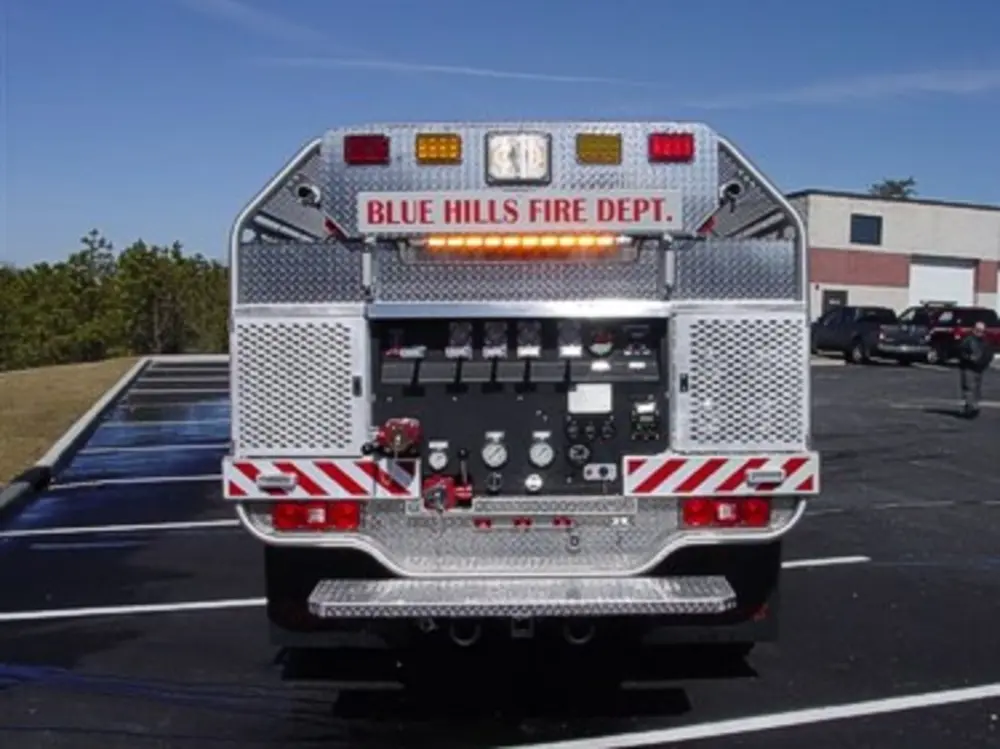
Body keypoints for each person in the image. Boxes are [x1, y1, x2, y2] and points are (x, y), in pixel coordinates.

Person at [958, 321, 994, 418]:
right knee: (968, 387)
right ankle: (970, 408)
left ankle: (974, 407)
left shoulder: (985, 342)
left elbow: (989, 354)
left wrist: (984, 363)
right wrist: (969, 358)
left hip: (979, 369)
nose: (980, 332)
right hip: (968, 368)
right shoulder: (968, 340)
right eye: (978, 330)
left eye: (982, 331)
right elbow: (961, 352)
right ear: (974, 329)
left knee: (976, 389)